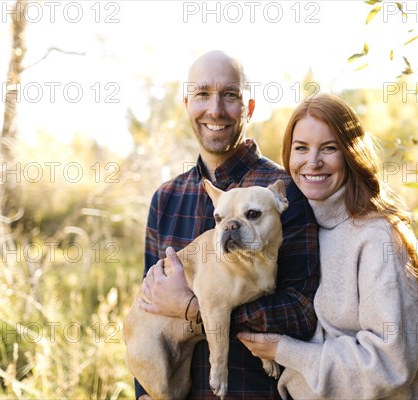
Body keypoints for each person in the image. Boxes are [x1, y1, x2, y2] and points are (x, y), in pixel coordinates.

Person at [135, 51, 320, 399]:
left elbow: (302, 314)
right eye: (203, 94)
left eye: (229, 95)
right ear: (187, 104)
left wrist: (194, 310)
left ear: (249, 108)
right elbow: (149, 304)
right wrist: (144, 392)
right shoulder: (166, 197)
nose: (215, 110)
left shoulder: (286, 192)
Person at [239, 93, 418, 399]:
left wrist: (283, 350)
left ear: (350, 153)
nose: (312, 162)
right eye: (301, 148)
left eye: (329, 148)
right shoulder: (299, 230)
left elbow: (389, 363)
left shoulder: (378, 237)